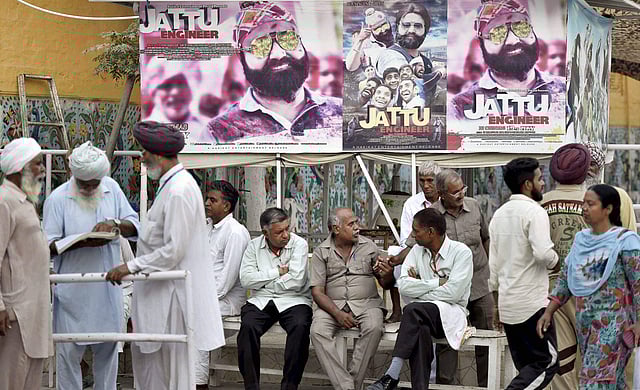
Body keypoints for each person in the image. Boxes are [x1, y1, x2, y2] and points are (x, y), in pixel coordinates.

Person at [105, 121, 225, 390]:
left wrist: (130, 266)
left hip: (170, 300)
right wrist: (127, 228)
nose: (142, 157)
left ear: (157, 154)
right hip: (158, 296)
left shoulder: (180, 190)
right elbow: (157, 233)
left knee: (169, 376)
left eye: (144, 152)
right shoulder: (170, 185)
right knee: (153, 375)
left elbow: (173, 250)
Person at [43, 141, 140, 390]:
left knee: (108, 357)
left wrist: (115, 224)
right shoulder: (57, 199)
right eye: (84, 184)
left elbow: (135, 225)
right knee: (68, 358)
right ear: (73, 176)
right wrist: (82, 243)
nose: (90, 188)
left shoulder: (112, 188)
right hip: (71, 292)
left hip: (106, 291)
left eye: (95, 183)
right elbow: (48, 245)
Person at [537, 184, 640, 389]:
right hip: (586, 325)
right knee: (612, 381)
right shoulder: (581, 240)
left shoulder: (626, 242)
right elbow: (566, 278)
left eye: (590, 204)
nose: (583, 207)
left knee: (593, 379)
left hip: (614, 326)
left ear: (608, 209)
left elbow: (638, 285)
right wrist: (549, 311)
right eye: (583, 203)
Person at [367, 208, 473, 390]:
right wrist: (437, 283)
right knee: (420, 328)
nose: (413, 235)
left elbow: (454, 294)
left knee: (412, 309)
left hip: (450, 314)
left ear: (431, 232)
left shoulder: (461, 252)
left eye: (416, 231)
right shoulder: (417, 251)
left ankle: (391, 374)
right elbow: (404, 286)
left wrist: (420, 291)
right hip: (422, 317)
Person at [206, 2, 342, 143]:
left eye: (288, 38)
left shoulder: (341, 113)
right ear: (242, 59)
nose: (278, 54)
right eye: (259, 46)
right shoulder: (218, 132)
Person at [489, 157, 559, 389]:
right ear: (528, 184)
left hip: (509, 306)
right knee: (546, 362)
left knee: (528, 369)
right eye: (540, 179)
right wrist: (557, 261)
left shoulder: (499, 215)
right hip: (533, 306)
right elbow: (543, 254)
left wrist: (497, 304)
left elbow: (494, 268)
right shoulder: (534, 212)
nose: (543, 184)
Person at [310, 208, 393, 390]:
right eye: (351, 224)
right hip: (332, 306)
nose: (358, 228)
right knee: (317, 331)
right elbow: (317, 292)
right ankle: (348, 386)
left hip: (367, 304)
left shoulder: (369, 247)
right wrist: (338, 314)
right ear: (336, 229)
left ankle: (350, 385)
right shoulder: (321, 252)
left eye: (357, 222)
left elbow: (385, 283)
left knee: (374, 327)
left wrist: (386, 274)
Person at [449, 0, 565, 120]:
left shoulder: (566, 89)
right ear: (482, 45)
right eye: (497, 34)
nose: (513, 40)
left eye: (521, 27)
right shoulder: (460, 108)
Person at [237, 207, 312, 390]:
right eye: (279, 232)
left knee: (300, 326)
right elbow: (246, 279)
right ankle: (252, 386)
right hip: (262, 300)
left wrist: (262, 280)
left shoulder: (299, 244)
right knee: (248, 328)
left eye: (288, 229)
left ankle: (289, 386)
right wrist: (277, 272)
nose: (286, 235)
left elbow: (296, 280)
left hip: (294, 299)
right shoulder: (254, 246)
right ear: (265, 233)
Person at [431, 169, 493, 387]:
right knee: (448, 340)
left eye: (462, 189)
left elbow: (486, 239)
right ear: (441, 194)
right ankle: (446, 386)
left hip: (479, 285)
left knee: (486, 339)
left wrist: (488, 272)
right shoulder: (433, 215)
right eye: (455, 192)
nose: (460, 195)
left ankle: (486, 385)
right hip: (450, 289)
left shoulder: (474, 206)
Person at [0, 138, 52, 390]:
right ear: (20, 168)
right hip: (15, 314)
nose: (42, 170)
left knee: (31, 381)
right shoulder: (4, 202)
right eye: (37, 164)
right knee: (11, 381)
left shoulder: (24, 201)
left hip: (35, 311)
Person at [540, 143, 591, 390]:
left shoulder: (541, 204)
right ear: (585, 171)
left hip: (551, 290)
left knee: (563, 357)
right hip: (590, 291)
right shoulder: (597, 201)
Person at [196, 180, 251, 389]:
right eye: (207, 198)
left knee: (194, 317)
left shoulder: (235, 232)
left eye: (212, 200)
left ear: (227, 206)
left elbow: (225, 281)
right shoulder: (207, 226)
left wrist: (199, 297)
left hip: (226, 300)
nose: (207, 203)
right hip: (205, 296)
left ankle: (198, 383)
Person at [375, 4, 444, 104]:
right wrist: (440, 73)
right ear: (398, 27)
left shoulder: (425, 61)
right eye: (406, 25)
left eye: (418, 26)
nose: (411, 30)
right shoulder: (389, 55)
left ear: (425, 30)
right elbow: (408, 84)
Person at [583, 141, 637, 232]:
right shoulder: (573, 196)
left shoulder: (620, 195)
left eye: (592, 164)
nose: (588, 168)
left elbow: (630, 230)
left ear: (599, 168)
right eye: (584, 164)